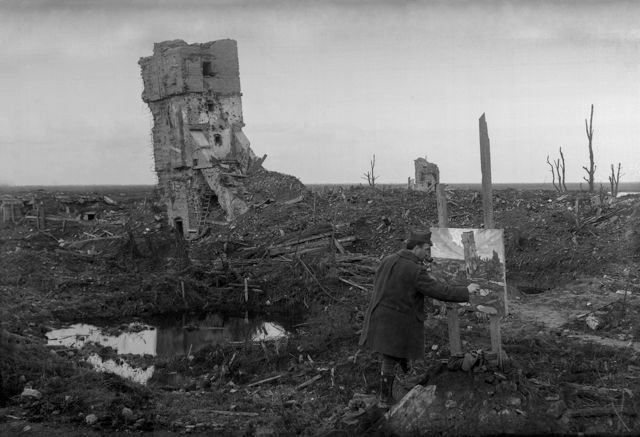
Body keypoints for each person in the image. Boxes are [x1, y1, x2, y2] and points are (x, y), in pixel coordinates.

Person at [359, 229, 480, 404]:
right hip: (395, 321)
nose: (427, 253)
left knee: (393, 354)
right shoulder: (415, 271)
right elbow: (439, 291)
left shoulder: (388, 259)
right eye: (426, 249)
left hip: (379, 316)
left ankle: (396, 384)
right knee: (390, 358)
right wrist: (465, 291)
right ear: (416, 248)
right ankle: (384, 401)